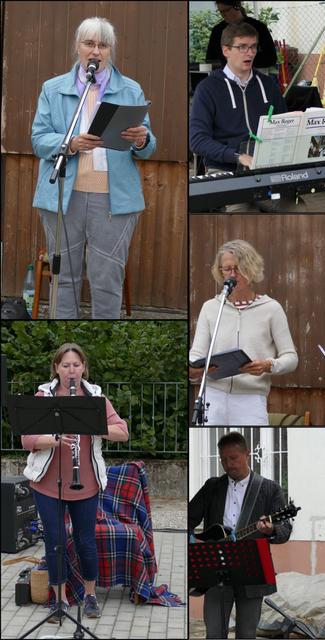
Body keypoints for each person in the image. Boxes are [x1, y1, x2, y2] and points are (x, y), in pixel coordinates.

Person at [32, 16, 156, 319]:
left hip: (114, 200)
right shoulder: (53, 88)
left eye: (103, 45)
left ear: (111, 50)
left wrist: (141, 140)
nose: (95, 51)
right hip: (63, 195)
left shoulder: (130, 89)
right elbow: (39, 139)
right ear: (78, 47)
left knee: (107, 280)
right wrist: (71, 143)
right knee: (64, 280)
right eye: (89, 43)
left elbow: (148, 147)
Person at [21, 343, 129, 622]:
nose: (71, 371)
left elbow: (122, 432)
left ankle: (90, 596)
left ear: (84, 368)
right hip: (48, 484)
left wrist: (92, 425)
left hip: (86, 483)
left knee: (86, 542)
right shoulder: (44, 396)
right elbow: (27, 439)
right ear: (56, 368)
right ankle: (59, 600)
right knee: (55, 542)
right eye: (66, 365)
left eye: (76, 365)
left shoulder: (95, 397)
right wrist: (54, 440)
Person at [188, 431, 293, 639]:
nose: (228, 464)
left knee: (246, 633)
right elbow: (188, 518)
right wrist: (192, 542)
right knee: (214, 634)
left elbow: (285, 530)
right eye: (223, 459)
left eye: (233, 458)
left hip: (252, 572)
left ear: (247, 454)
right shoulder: (212, 487)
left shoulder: (269, 488)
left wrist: (271, 529)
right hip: (216, 571)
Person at [189, 239, 298, 425]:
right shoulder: (211, 307)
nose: (233, 274)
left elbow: (291, 358)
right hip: (212, 396)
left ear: (251, 269)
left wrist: (268, 365)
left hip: (251, 399)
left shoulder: (272, 308)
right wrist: (192, 369)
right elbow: (197, 352)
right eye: (227, 269)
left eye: (238, 269)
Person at [190, 21, 285, 174]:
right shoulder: (207, 89)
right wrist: (237, 157)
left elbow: (284, 127)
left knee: (293, 198)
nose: (250, 53)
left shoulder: (268, 85)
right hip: (223, 168)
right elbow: (197, 140)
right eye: (242, 47)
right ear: (226, 50)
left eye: (253, 46)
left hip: (266, 166)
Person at [206, 1, 277, 71]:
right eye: (221, 11)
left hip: (254, 74)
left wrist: (244, 61)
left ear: (237, 7)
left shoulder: (258, 27)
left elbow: (271, 58)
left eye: (226, 10)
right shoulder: (217, 30)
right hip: (225, 75)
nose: (223, 15)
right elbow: (210, 59)